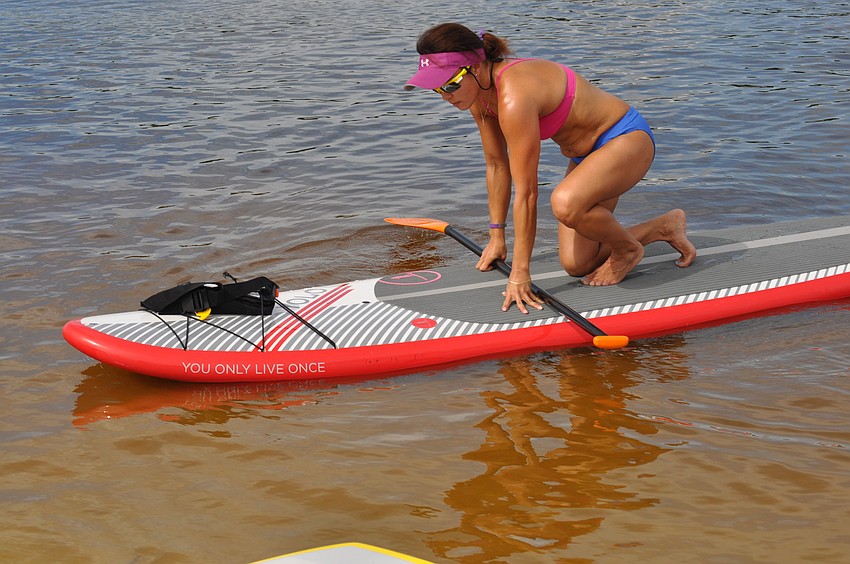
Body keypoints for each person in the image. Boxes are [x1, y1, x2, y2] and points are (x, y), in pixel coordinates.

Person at [404, 23, 697, 314]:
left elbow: (528, 192)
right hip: (589, 157)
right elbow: (496, 166)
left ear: (477, 67)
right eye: (437, 88)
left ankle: (628, 250)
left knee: (565, 203)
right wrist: (496, 237)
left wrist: (520, 272)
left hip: (626, 140)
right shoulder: (480, 98)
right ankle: (663, 227)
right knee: (577, 264)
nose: (445, 95)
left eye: (450, 84)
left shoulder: (514, 95)